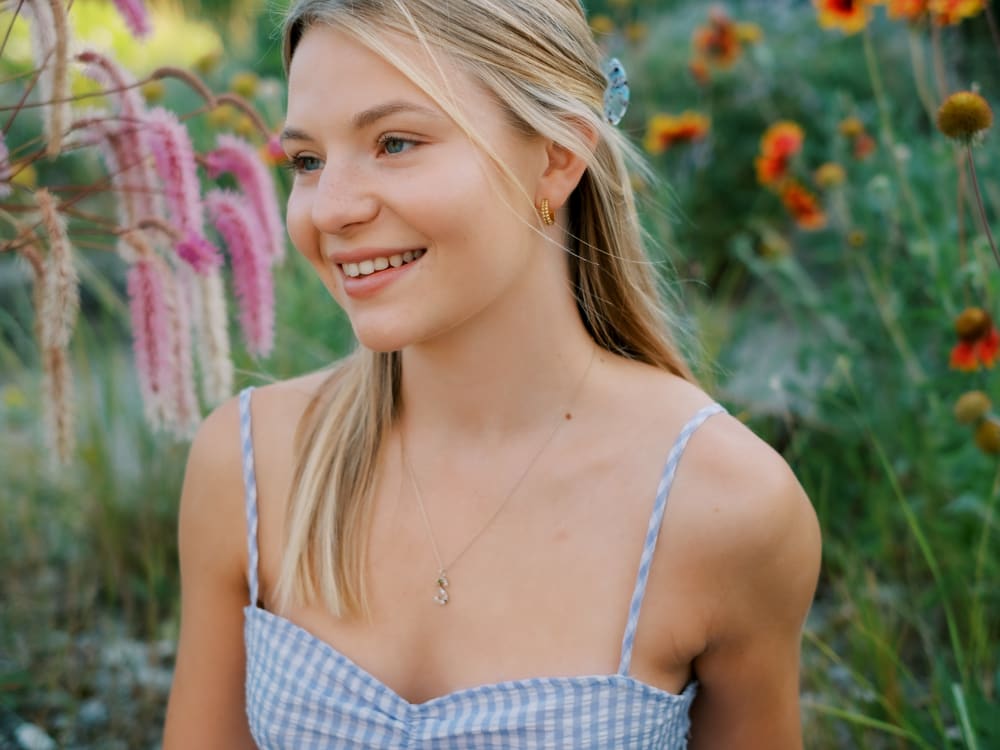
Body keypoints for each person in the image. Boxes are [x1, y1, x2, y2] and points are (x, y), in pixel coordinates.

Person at [162, 0, 821, 747]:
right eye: (308, 161)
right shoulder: (249, 465)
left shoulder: (722, 508)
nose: (332, 210)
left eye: (396, 142)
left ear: (557, 156)